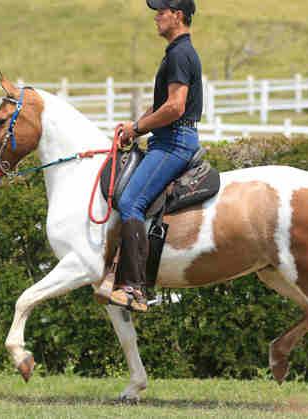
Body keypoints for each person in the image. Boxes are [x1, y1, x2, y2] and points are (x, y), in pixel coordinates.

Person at [109, 0, 202, 312]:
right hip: (168, 137)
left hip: (174, 142)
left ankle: (134, 288)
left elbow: (175, 107)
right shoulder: (177, 52)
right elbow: (162, 105)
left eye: (161, 12)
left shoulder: (179, 54)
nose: (156, 17)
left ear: (177, 16)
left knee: (130, 202)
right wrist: (134, 126)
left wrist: (138, 128)